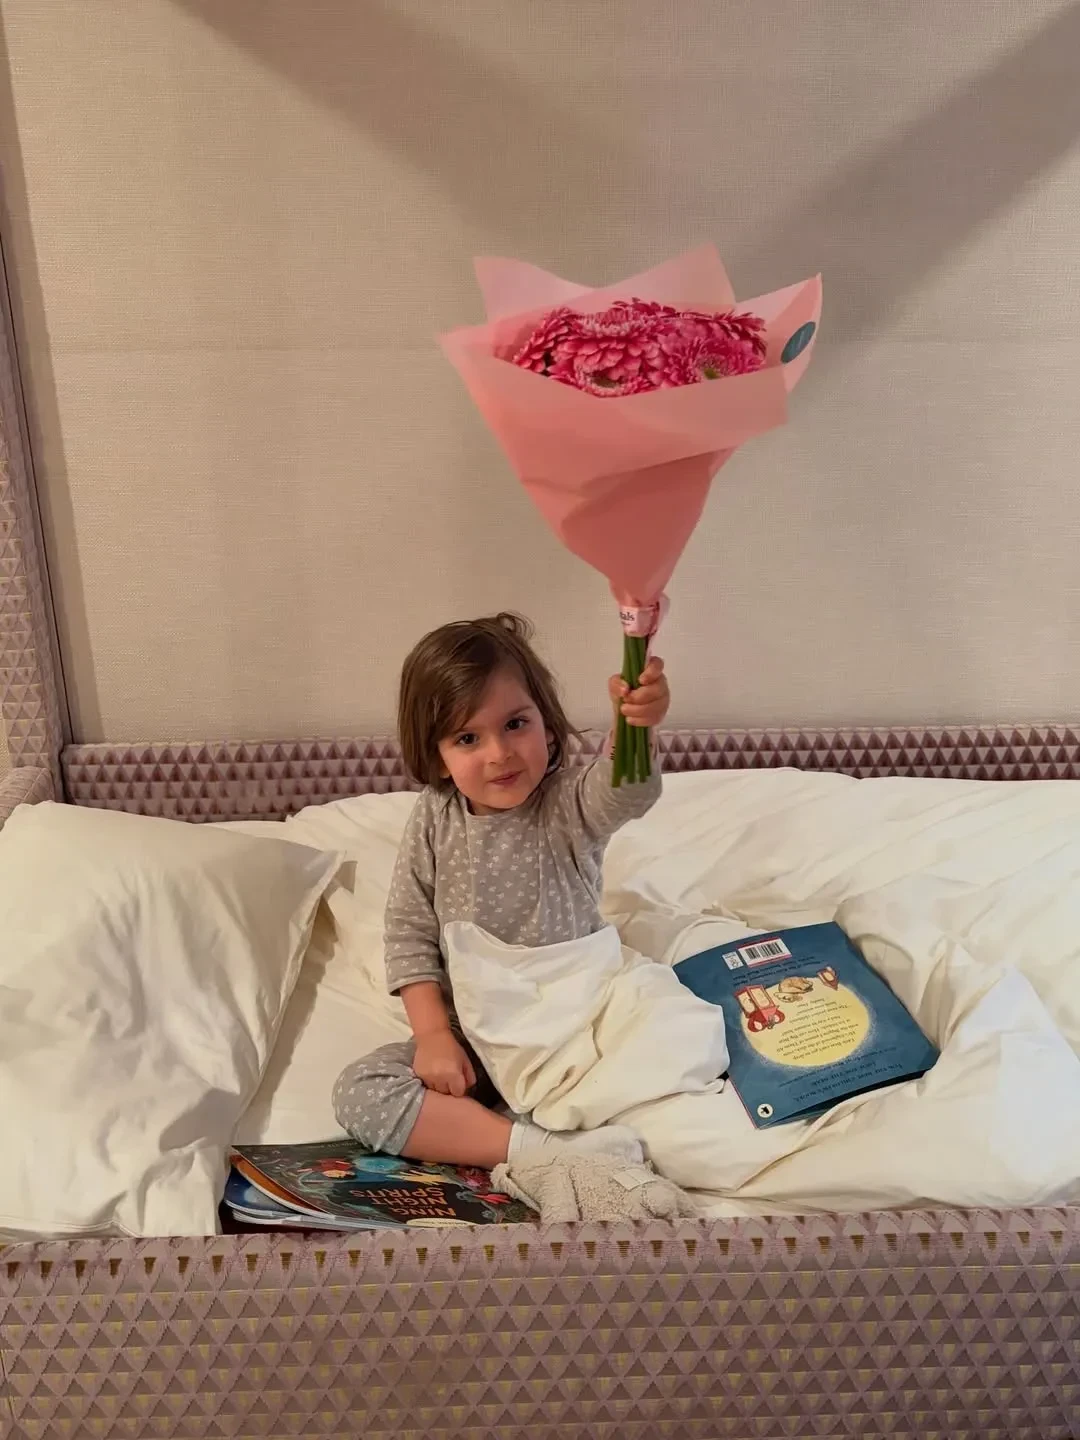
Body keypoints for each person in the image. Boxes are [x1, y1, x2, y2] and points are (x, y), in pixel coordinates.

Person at [333, 612, 670, 1170]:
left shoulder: (569, 804)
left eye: (516, 724)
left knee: (676, 1053)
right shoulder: (435, 817)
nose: (499, 753)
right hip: (478, 1034)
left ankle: (555, 1130)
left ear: (548, 725)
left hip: (578, 1022)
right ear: (437, 754)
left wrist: (637, 726)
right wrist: (434, 1036)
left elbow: (626, 790)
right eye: (468, 738)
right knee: (360, 1091)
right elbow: (409, 930)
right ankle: (539, 1151)